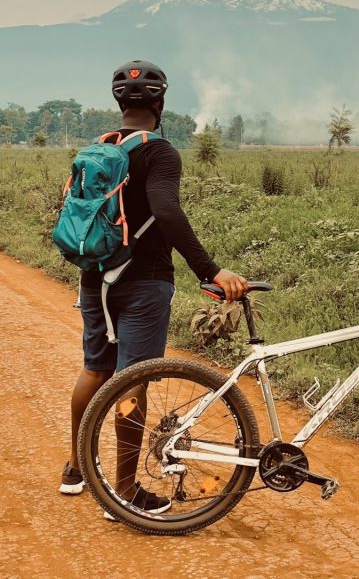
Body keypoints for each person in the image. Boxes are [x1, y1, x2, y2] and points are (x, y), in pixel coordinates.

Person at [60, 59, 248, 514]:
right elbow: (166, 211)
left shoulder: (99, 148)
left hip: (95, 278)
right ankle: (123, 492)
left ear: (118, 102)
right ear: (160, 103)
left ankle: (76, 467)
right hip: (144, 283)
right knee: (133, 380)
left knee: (95, 370)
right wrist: (209, 270)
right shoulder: (159, 152)